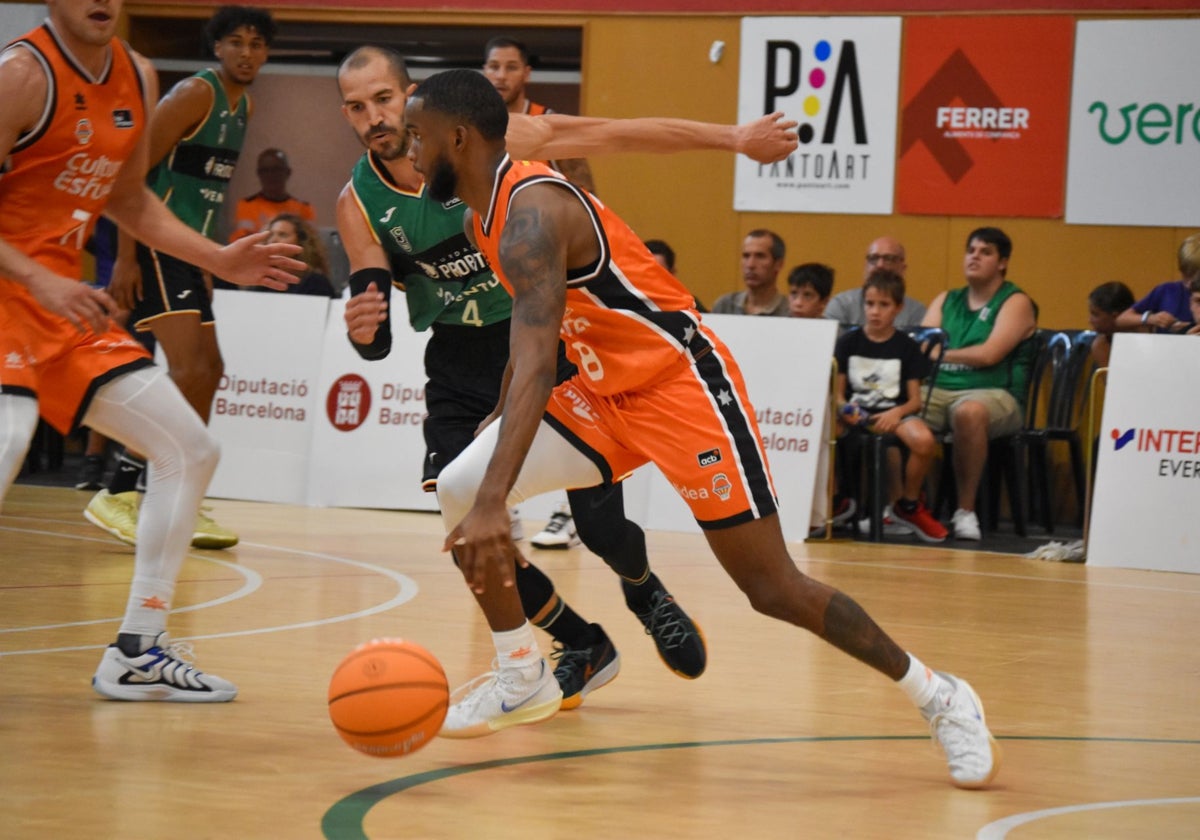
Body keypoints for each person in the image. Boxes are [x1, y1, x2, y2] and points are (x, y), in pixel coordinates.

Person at [403, 69, 1000, 790]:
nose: (407, 149)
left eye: (416, 136)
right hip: (602, 391)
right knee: (462, 487)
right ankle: (519, 671)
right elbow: (531, 347)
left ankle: (940, 697)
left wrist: (505, 489)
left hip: (680, 388)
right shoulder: (482, 215)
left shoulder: (531, 214)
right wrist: (495, 446)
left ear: (458, 138)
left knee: (772, 587)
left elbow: (534, 360)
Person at [335, 47, 795, 707]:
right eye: (356, 107)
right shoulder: (359, 199)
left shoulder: (490, 144)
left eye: (383, 99)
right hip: (463, 361)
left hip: (551, 344)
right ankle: (575, 639)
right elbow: (371, 301)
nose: (373, 117)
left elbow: (619, 133)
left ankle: (644, 591)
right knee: (463, 512)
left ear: (410, 97)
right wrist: (365, 326)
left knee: (601, 526)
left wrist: (735, 139)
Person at [0, 0, 303, 701]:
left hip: (62, 307)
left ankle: (139, 647)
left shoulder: (135, 73)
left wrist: (218, 258)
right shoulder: (21, 75)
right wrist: (40, 276)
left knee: (189, 450)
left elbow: (129, 199)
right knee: (9, 437)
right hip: (17, 292)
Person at [85, 5, 275, 550]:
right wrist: (122, 258)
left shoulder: (245, 105)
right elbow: (129, 171)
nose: (246, 52)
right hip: (151, 244)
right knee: (190, 367)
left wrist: (211, 258)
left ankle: (175, 493)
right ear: (216, 47)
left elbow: (205, 195)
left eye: (256, 43)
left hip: (188, 252)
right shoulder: (196, 94)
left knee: (209, 369)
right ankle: (121, 491)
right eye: (235, 41)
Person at [921, 227, 1038, 541]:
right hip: (938, 389)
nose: (974, 256)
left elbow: (990, 354)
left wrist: (940, 354)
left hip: (996, 394)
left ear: (1002, 262)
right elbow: (922, 345)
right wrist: (935, 354)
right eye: (971, 250)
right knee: (893, 409)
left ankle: (965, 511)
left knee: (969, 413)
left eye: (985, 252)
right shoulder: (947, 299)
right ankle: (899, 506)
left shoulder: (1016, 301)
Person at [835, 270, 947, 543]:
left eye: (883, 305)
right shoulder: (848, 342)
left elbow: (914, 401)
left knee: (923, 440)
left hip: (893, 414)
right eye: (870, 304)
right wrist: (846, 409)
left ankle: (907, 505)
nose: (875, 311)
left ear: (898, 308)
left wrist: (896, 413)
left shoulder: (906, 347)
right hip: (855, 414)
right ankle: (836, 500)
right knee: (823, 430)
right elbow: (837, 396)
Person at [483, 36, 596, 194]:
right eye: (494, 67)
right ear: (485, 71)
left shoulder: (549, 125)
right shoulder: (471, 125)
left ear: (526, 73)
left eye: (511, 67)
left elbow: (586, 196)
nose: (501, 75)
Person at [825, 237, 927, 328]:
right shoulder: (842, 304)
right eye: (873, 258)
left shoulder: (916, 312)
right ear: (866, 267)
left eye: (889, 259)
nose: (880, 265)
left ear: (903, 268)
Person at [1115, 233, 1200, 335]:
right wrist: (1151, 319)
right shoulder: (1167, 291)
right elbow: (1122, 320)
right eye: (1186, 275)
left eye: (1196, 275)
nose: (1191, 282)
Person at [229, 148, 316, 242]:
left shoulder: (304, 208)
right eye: (265, 170)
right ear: (259, 174)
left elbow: (310, 244)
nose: (271, 175)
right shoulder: (247, 205)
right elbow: (243, 242)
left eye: (276, 169)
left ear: (288, 172)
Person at [712, 230, 789, 316]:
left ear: (778, 264)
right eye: (746, 256)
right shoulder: (724, 306)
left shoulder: (790, 311)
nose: (750, 265)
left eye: (760, 256)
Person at [261, 213, 337, 297]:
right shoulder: (261, 278)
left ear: (300, 242)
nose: (273, 240)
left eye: (282, 234)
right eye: (270, 235)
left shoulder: (315, 283)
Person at [1086, 281, 1136, 368]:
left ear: (1115, 316)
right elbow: (1111, 381)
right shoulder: (1101, 345)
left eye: (1095, 314)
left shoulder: (1149, 335)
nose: (1089, 320)